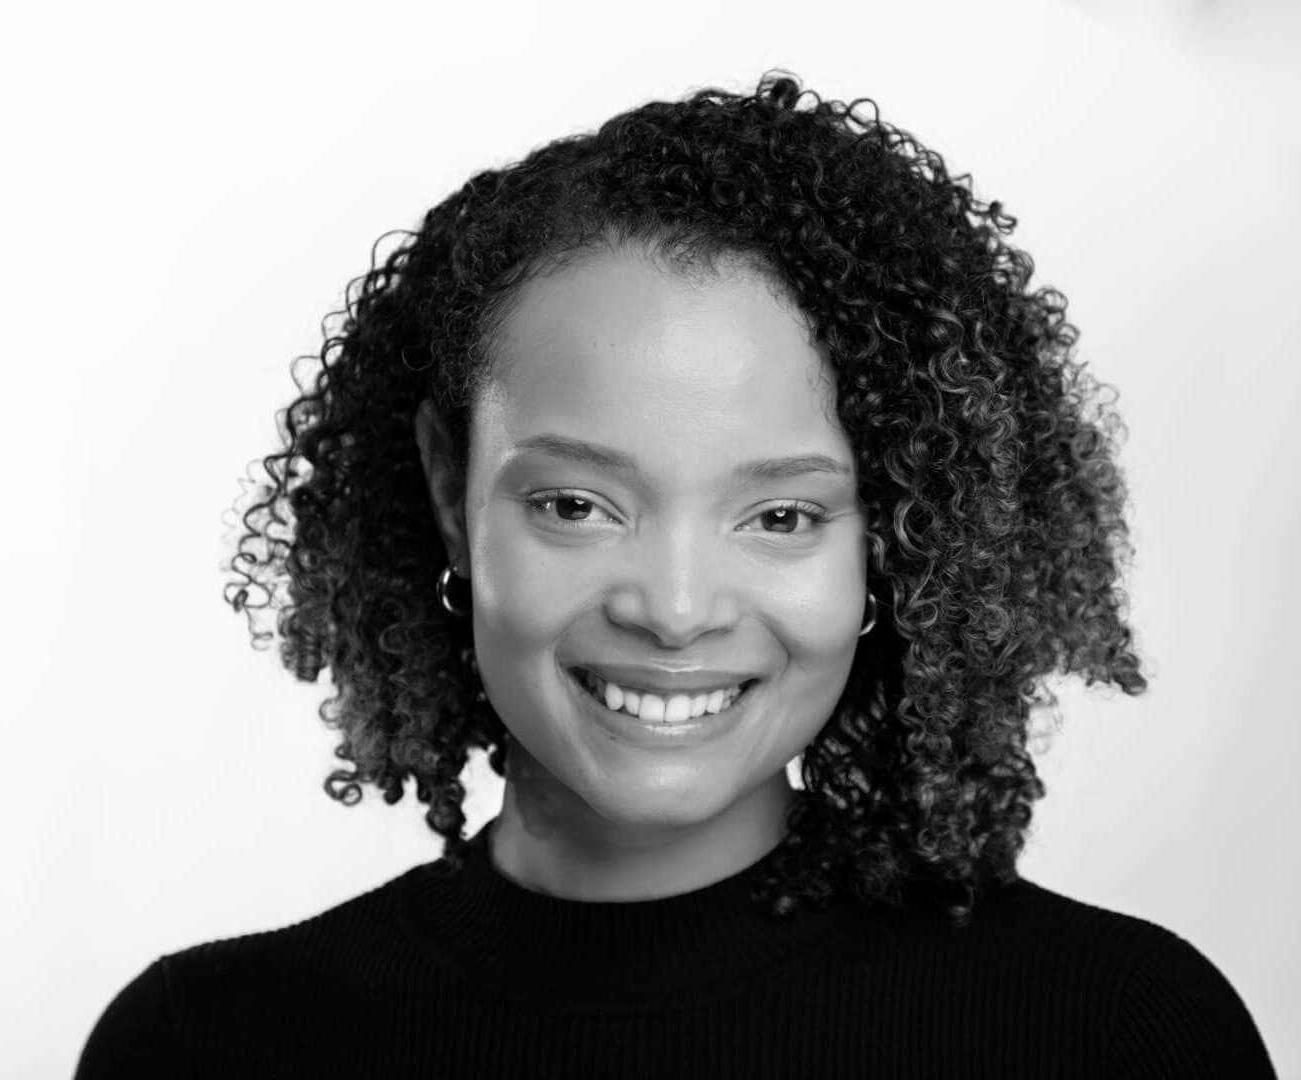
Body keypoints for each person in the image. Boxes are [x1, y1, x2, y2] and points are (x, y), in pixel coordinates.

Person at [74, 71, 1276, 1078]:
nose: (676, 608)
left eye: (782, 515)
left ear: (893, 539)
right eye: (576, 505)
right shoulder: (207, 1048)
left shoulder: (1110, 1035)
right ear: (451, 489)